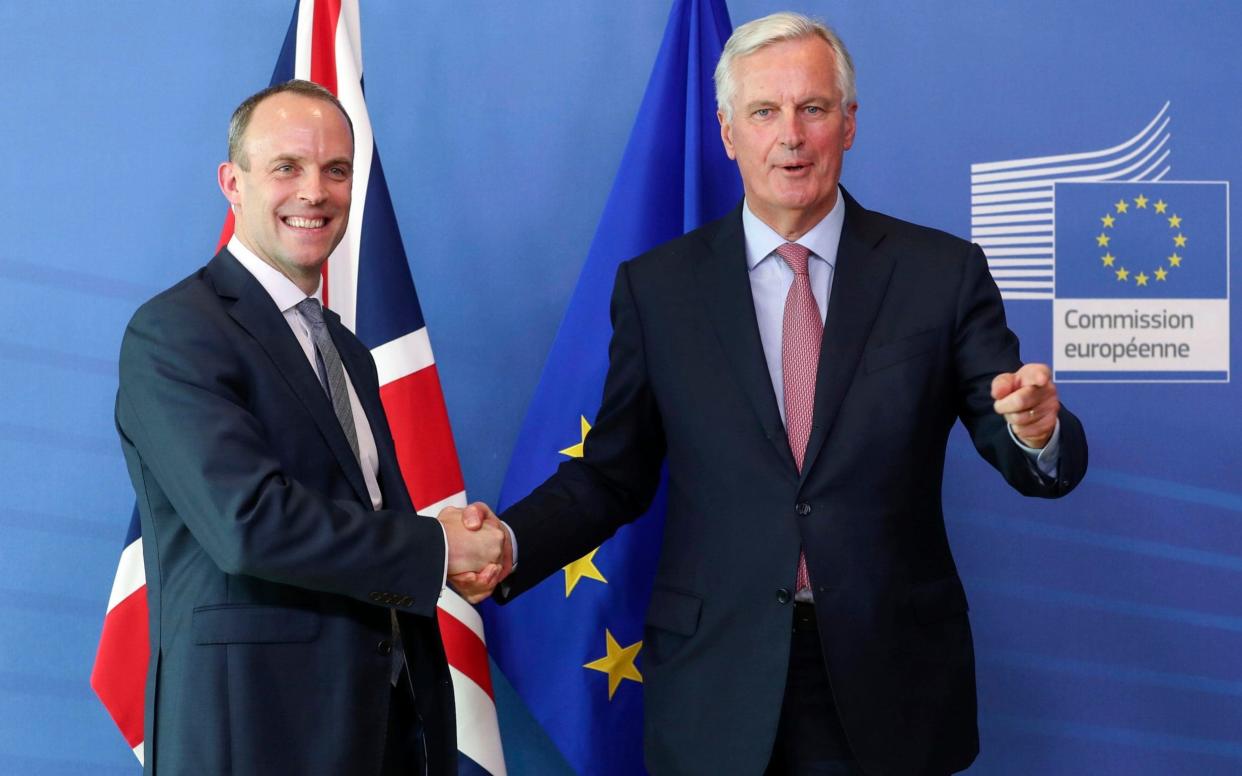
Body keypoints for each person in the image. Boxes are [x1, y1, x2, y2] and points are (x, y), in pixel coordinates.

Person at [469, 12, 1088, 776]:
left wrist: (1035, 432)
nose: (790, 135)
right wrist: (512, 542)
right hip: (716, 679)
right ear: (729, 132)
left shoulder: (941, 275)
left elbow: (1014, 432)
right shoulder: (660, 290)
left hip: (888, 676)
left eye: (813, 108)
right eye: (765, 112)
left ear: (849, 124)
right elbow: (612, 472)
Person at [115, 79, 505, 776]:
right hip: (259, 732)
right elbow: (250, 523)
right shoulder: (176, 331)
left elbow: (360, 521)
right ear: (232, 183)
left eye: (336, 169)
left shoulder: (345, 349)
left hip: (385, 725)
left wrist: (449, 553)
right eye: (287, 167)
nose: (315, 192)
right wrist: (434, 547)